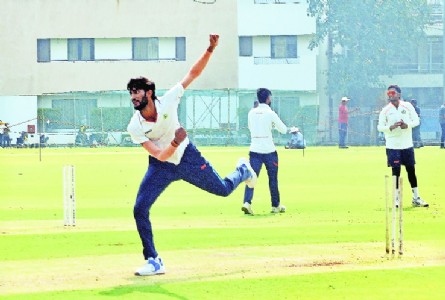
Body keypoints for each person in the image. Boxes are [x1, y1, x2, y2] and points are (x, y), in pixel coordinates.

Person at [126, 34, 257, 276]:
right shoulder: (134, 126)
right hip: (161, 166)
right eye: (131, 92)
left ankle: (243, 171)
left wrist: (210, 48)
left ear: (149, 92)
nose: (133, 96)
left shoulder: (168, 101)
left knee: (223, 190)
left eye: (137, 91)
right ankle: (154, 260)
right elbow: (159, 155)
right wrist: (174, 141)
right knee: (139, 208)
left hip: (188, 158)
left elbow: (192, 74)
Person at [377, 84, 428, 208]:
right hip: (393, 146)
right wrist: (390, 127)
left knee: (411, 170)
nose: (390, 95)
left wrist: (407, 125)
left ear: (399, 94)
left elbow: (417, 121)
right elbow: (380, 127)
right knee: (396, 172)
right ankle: (396, 200)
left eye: (393, 93)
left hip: (407, 145)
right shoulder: (385, 110)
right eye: (389, 93)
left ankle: (416, 197)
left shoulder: (408, 106)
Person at [241, 88, 288, 215]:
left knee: (251, 178)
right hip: (269, 151)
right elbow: (283, 129)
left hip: (254, 150)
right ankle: (275, 205)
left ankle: (247, 202)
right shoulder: (270, 113)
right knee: (272, 179)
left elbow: (251, 128)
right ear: (268, 99)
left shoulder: (251, 113)